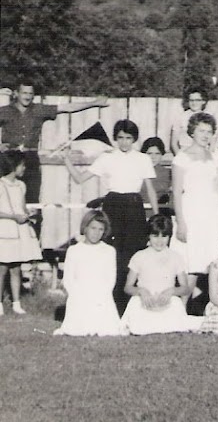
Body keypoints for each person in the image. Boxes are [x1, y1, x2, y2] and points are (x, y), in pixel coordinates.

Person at [63, 119, 157, 315]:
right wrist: (66, 160)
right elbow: (79, 179)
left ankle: (131, 307)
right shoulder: (106, 158)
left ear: (134, 139)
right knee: (112, 254)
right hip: (112, 206)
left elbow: (150, 189)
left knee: (133, 255)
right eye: (120, 138)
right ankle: (110, 306)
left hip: (134, 207)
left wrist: (156, 216)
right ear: (115, 138)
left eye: (128, 138)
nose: (124, 142)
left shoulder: (142, 159)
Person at [0, 79, 108, 203]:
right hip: (8, 158)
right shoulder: (4, 111)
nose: (28, 97)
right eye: (24, 93)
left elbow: (67, 107)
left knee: (32, 198)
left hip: (30, 158)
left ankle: (33, 221)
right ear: (16, 93)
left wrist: (94, 103)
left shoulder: (38, 110)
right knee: (4, 197)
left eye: (30, 94)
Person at [172, 112, 218, 312]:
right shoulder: (182, 157)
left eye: (209, 132)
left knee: (214, 262)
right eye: (201, 131)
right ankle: (180, 311)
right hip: (192, 213)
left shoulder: (214, 157)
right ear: (192, 132)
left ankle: (214, 311)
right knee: (192, 263)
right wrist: (181, 222)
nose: (205, 135)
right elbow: (177, 193)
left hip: (213, 215)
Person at [120, 214, 201, 335]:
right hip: (145, 302)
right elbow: (128, 287)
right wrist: (141, 291)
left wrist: (171, 291)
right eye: (155, 236)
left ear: (169, 237)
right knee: (135, 306)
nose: (159, 240)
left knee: (176, 305)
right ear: (149, 235)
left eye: (164, 236)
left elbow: (185, 288)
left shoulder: (176, 257)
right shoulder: (139, 256)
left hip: (166, 302)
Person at [53, 211, 123, 336]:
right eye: (93, 228)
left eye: (101, 229)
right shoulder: (74, 250)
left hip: (101, 296)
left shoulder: (108, 251)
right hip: (79, 295)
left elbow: (110, 279)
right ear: (85, 228)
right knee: (77, 329)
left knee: (108, 330)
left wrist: (100, 294)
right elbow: (68, 279)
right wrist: (78, 294)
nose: (96, 233)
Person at [0, 151, 42, 316]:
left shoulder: (21, 185)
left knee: (16, 268)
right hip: (5, 229)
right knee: (2, 268)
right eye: (22, 165)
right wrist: (13, 217)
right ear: (13, 166)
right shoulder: (0, 184)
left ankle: (16, 303)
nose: (24, 168)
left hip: (19, 229)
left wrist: (29, 214)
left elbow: (22, 207)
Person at [169, 88, 210, 155]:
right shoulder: (180, 117)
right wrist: (180, 158)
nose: (194, 103)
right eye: (191, 100)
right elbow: (173, 143)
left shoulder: (209, 118)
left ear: (203, 101)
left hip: (203, 154)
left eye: (197, 100)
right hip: (185, 153)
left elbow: (212, 143)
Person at [140, 137, 172, 216]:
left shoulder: (168, 173)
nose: (153, 157)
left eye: (157, 153)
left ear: (162, 154)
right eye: (149, 153)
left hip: (160, 214)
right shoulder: (136, 171)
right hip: (139, 213)